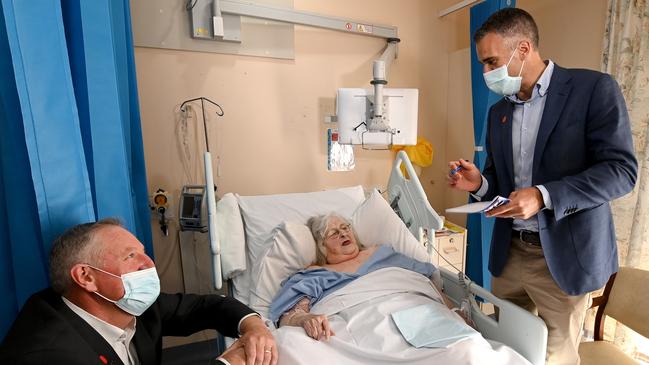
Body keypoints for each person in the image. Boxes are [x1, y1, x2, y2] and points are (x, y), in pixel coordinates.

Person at [447, 7, 637, 365]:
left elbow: (621, 171)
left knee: (554, 359)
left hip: (563, 257)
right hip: (510, 254)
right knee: (503, 348)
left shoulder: (592, 90)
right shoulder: (499, 112)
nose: (486, 73)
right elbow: (502, 185)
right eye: (483, 65)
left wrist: (544, 195)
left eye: (491, 62)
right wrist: (480, 183)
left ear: (523, 50)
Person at [0, 218, 278, 365]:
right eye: (130, 256)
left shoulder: (129, 306)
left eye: (144, 253)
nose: (149, 264)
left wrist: (254, 327)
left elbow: (207, 307)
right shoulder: (48, 353)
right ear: (86, 276)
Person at [270, 213, 461, 341]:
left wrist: (454, 311)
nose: (343, 233)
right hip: (360, 326)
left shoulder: (382, 253)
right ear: (322, 245)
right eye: (334, 233)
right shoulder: (316, 273)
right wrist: (304, 319)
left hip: (415, 313)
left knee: (462, 348)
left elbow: (424, 281)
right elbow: (292, 314)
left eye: (346, 227)